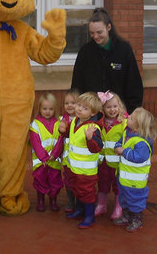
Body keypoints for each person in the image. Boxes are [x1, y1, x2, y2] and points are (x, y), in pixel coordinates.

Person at [71, 7, 143, 114]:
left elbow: (134, 85)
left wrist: (131, 113)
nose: (95, 36)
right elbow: (77, 85)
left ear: (109, 27)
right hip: (91, 114)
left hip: (118, 115)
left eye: (99, 32)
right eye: (92, 33)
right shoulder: (85, 52)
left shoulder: (124, 50)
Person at [59, 92, 103, 229]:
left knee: (87, 192)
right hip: (74, 167)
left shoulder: (93, 128)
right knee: (76, 189)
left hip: (86, 171)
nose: (79, 109)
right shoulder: (74, 122)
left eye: (85, 108)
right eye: (79, 105)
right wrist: (63, 131)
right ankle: (79, 210)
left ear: (92, 113)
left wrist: (90, 139)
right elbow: (71, 136)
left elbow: (97, 148)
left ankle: (89, 216)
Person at [113, 107, 156, 232]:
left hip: (135, 181)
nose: (128, 117)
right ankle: (126, 216)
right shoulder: (128, 133)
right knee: (124, 197)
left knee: (135, 200)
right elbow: (120, 142)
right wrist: (117, 147)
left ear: (137, 127)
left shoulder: (141, 143)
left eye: (131, 118)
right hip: (124, 177)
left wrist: (123, 151)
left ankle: (136, 219)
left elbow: (138, 157)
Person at [95, 91, 127, 220]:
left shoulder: (124, 123)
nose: (112, 110)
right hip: (103, 161)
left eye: (115, 106)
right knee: (102, 183)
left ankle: (118, 206)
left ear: (120, 106)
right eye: (108, 107)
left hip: (117, 162)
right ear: (103, 109)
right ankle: (101, 205)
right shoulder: (100, 122)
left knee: (117, 185)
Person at [29, 93, 63, 212]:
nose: (47, 111)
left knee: (55, 181)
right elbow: (35, 143)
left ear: (55, 109)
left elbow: (60, 140)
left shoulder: (60, 123)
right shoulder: (35, 124)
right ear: (39, 109)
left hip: (54, 159)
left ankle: (53, 200)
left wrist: (54, 155)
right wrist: (43, 158)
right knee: (40, 181)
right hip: (40, 161)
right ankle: (41, 201)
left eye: (51, 109)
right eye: (44, 109)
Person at [59, 89, 80, 213]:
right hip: (67, 159)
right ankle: (71, 201)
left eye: (73, 102)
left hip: (79, 159)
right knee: (68, 180)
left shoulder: (81, 120)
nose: (70, 105)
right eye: (67, 103)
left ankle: (80, 202)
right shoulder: (62, 120)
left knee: (79, 180)